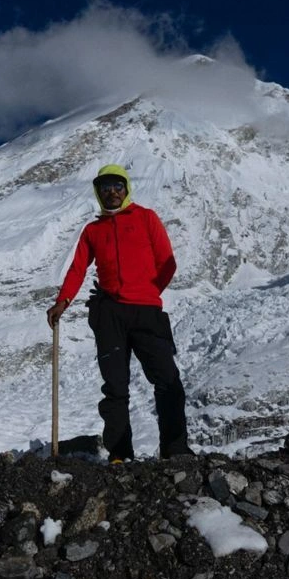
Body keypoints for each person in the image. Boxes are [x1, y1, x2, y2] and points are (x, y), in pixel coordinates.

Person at [47, 164, 192, 462]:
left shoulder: (146, 218)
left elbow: (167, 262)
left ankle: (175, 449)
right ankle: (120, 453)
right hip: (109, 313)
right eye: (105, 187)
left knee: (167, 379)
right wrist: (63, 301)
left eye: (117, 186)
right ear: (98, 192)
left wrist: (147, 293)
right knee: (115, 386)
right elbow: (78, 268)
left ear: (126, 189)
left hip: (147, 312)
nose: (112, 192)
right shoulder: (93, 230)